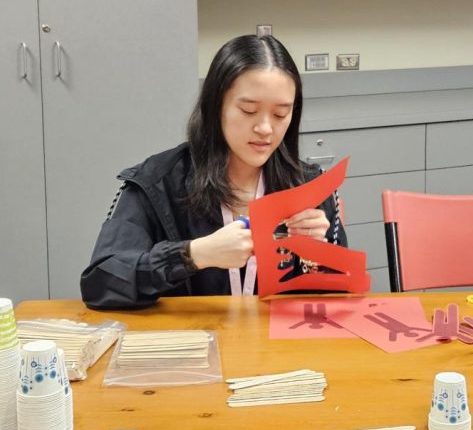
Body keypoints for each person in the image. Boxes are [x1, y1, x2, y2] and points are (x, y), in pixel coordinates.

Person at [81, 34, 345, 310]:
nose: (266, 128)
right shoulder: (158, 182)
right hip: (189, 344)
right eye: (248, 110)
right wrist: (193, 255)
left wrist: (319, 252)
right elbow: (100, 283)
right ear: (215, 106)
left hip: (279, 348)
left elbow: (339, 302)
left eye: (280, 114)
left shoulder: (308, 185)